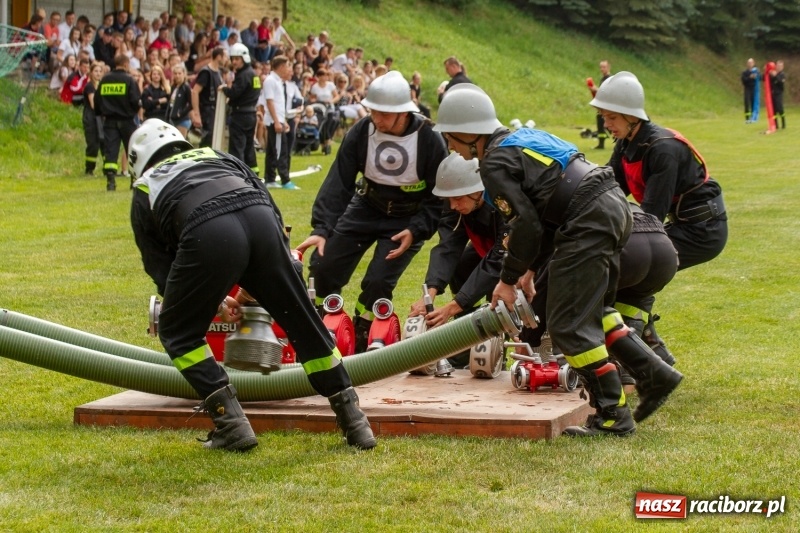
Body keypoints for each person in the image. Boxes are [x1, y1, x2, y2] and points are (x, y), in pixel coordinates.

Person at [434, 83, 682, 437]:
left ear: (469, 132)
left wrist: (506, 280)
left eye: (451, 139)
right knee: (591, 311)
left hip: (587, 219)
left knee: (567, 326)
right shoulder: (524, 138)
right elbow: (549, 205)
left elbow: (527, 225)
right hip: (612, 206)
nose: (451, 149)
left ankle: (613, 416)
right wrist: (532, 267)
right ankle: (654, 375)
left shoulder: (493, 164)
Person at [127, 119, 377, 451]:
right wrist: (262, 280)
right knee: (304, 324)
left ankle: (231, 424)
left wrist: (210, 301)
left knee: (177, 331)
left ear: (139, 160)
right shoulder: (219, 156)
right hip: (260, 220)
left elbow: (163, 271)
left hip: (208, 232)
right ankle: (355, 423)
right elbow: (270, 211)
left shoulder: (145, 187)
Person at [296, 71, 448, 353]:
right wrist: (321, 229)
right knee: (324, 266)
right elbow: (338, 182)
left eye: (383, 113)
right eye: (373, 111)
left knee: (378, 281)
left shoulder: (429, 139)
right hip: (365, 206)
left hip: (407, 219)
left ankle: (365, 330)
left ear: (403, 112)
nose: (375, 119)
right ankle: (323, 325)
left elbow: (439, 196)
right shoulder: (362, 131)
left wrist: (416, 230)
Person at [591, 71, 728, 362]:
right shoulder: (628, 144)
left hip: (703, 231)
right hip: (682, 225)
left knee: (634, 271)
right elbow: (607, 188)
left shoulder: (663, 150)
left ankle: (637, 360)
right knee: (628, 275)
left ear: (631, 116)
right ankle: (654, 356)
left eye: (611, 118)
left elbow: (651, 217)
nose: (606, 125)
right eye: (604, 117)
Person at [408, 152, 508, 367]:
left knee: (498, 291)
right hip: (490, 246)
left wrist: (453, 306)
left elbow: (498, 261)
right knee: (462, 267)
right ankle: (466, 340)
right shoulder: (458, 200)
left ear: (478, 191)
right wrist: (431, 292)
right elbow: (447, 246)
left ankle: (498, 342)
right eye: (448, 199)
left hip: (526, 253)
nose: (452, 206)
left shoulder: (504, 200)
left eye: (457, 199)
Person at [94, 53, 141, 191]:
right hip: (127, 121)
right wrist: (133, 112)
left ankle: (111, 181)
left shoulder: (105, 80)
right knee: (131, 150)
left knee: (111, 151)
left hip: (109, 121)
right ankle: (134, 180)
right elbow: (135, 101)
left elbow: (97, 100)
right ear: (126, 64)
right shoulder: (129, 80)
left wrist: (101, 113)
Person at [260, 55, 297, 189]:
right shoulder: (270, 81)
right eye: (287, 66)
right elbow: (269, 102)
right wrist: (276, 121)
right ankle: (285, 180)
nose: (288, 69)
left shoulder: (278, 81)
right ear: (281, 66)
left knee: (271, 151)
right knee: (281, 151)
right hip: (273, 121)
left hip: (279, 120)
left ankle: (270, 179)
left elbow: (278, 104)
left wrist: (283, 120)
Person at [223, 43, 260, 175]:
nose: (234, 62)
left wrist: (225, 89)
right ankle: (253, 173)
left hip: (240, 115)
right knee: (249, 147)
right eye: (233, 59)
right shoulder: (253, 74)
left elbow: (234, 93)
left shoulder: (243, 75)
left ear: (244, 58)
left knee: (237, 147)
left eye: (237, 59)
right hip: (251, 114)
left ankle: (238, 175)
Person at [190, 47, 225, 148]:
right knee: (205, 141)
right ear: (219, 57)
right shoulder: (206, 72)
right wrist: (196, 114)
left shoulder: (218, 72)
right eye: (224, 56)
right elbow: (195, 92)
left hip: (215, 111)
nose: (226, 59)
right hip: (206, 111)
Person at [82, 61, 105, 175]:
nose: (98, 73)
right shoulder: (90, 86)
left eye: (100, 71)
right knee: (93, 144)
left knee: (104, 143)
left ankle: (107, 169)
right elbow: (93, 104)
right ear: (91, 73)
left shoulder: (102, 85)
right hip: (91, 118)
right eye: (95, 71)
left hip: (101, 117)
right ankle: (89, 169)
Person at [589, 60, 612, 149]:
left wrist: (596, 89)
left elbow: (607, 92)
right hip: (602, 105)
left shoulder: (609, 79)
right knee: (600, 123)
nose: (602, 69)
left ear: (608, 67)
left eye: (604, 67)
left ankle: (603, 143)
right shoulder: (603, 79)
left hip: (607, 106)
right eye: (601, 67)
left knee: (605, 123)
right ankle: (601, 143)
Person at [166, 64, 193, 137]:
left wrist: (180, 113)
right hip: (172, 119)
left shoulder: (186, 87)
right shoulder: (173, 87)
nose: (177, 76)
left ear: (184, 74)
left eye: (179, 73)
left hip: (182, 120)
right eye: (175, 73)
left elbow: (191, 104)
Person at [741, 58, 759, 123]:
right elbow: (743, 80)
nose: (750, 64)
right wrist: (750, 77)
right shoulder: (745, 72)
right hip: (747, 88)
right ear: (747, 64)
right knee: (747, 102)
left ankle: (753, 117)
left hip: (754, 88)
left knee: (753, 103)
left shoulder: (756, 71)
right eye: (749, 63)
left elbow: (760, 78)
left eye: (751, 63)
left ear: (753, 63)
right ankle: (747, 118)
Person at [769, 60, 786, 129]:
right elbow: (765, 78)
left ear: (782, 67)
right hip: (772, 93)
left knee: (780, 108)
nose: (779, 67)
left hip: (779, 93)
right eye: (778, 66)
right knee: (774, 109)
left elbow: (780, 82)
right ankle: (775, 124)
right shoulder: (773, 73)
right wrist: (767, 72)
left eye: (780, 66)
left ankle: (783, 122)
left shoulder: (782, 74)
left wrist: (775, 76)